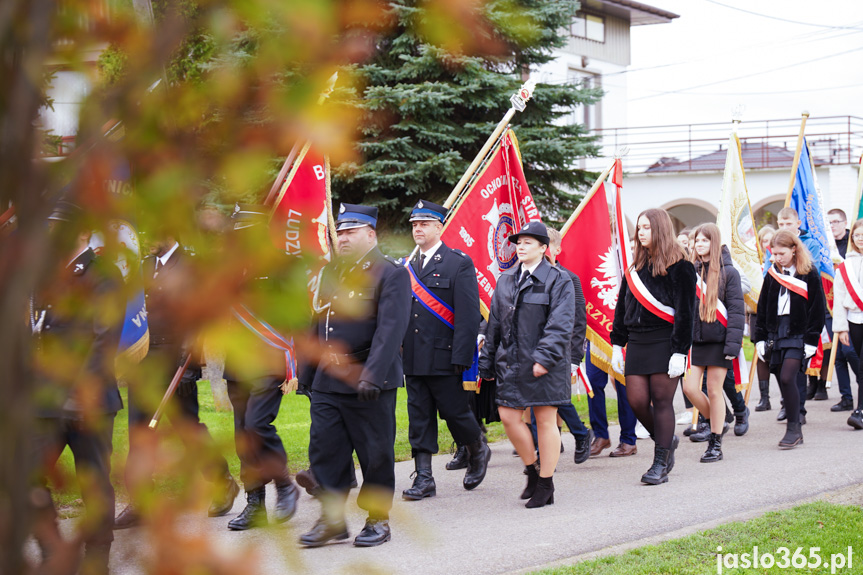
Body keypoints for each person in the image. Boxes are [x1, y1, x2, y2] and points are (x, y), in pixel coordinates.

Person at [300, 203, 410, 547]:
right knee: (325, 449)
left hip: (368, 380)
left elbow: (390, 331)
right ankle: (332, 519)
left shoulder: (390, 274)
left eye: (350, 232)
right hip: (329, 379)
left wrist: (373, 374)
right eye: (340, 233)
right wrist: (308, 373)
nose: (342, 238)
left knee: (375, 453)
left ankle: (378, 519)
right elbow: (317, 324)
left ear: (370, 234)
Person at [114, 232, 239, 529]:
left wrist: (191, 367)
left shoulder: (191, 266)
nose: (146, 239)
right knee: (138, 431)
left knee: (187, 430)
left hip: (177, 362)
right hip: (144, 360)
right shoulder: (144, 267)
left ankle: (222, 482)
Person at [29, 199, 126, 575]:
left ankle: (97, 561)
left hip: (90, 403)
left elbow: (103, 343)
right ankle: (52, 552)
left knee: (95, 486)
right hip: (46, 402)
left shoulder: (104, 277)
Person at [479, 221, 575, 508]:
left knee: (545, 420)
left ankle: (546, 483)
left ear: (544, 248)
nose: (520, 246)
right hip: (510, 363)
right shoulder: (506, 279)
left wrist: (543, 359)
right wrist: (487, 361)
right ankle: (533, 470)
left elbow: (561, 324)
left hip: (546, 363)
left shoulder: (559, 280)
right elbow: (494, 323)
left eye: (528, 242)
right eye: (518, 242)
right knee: (508, 417)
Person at [400, 199, 489, 501]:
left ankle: (478, 448)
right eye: (414, 224)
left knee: (455, 413)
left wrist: (462, 358)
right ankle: (424, 478)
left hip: (444, 355)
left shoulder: (457, 262)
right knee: (419, 418)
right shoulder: (408, 266)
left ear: (439, 227)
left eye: (424, 224)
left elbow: (467, 317)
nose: (418, 229)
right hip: (413, 356)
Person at [222, 204, 299, 531]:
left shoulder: (283, 265)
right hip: (238, 363)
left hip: (268, 360)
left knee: (257, 424)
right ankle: (255, 505)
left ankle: (284, 484)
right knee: (242, 435)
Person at [610, 208, 696, 485]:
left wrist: (680, 351)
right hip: (637, 342)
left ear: (659, 229)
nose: (641, 232)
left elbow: (686, 313)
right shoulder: (633, 269)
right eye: (639, 227)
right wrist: (616, 345)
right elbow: (621, 309)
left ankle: (660, 462)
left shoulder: (681, 267)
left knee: (661, 401)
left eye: (646, 227)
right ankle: (666, 439)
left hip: (665, 341)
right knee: (635, 401)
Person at [754, 230, 825, 449]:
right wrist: (759, 339)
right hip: (777, 334)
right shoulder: (772, 274)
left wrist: (812, 341)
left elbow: (817, 310)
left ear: (794, 249)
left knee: (788, 378)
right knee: (780, 377)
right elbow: (763, 309)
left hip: (798, 333)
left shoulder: (809, 273)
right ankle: (796, 427)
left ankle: (793, 428)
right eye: (774, 254)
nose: (776, 258)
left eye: (781, 253)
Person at [682, 224, 744, 463]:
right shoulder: (691, 271)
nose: (699, 244)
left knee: (714, 391)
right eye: (697, 240)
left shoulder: (730, 273)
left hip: (719, 341)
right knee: (689, 388)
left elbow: (737, 312)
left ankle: (715, 443)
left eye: (705, 240)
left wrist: (732, 346)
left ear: (714, 243)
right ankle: (717, 420)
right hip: (696, 341)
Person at [776, 206, 825, 417]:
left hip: (801, 313)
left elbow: (809, 270)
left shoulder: (811, 244)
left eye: (789, 224)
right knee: (780, 367)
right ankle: (787, 404)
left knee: (796, 368)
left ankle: (799, 410)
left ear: (798, 224)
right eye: (781, 224)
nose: (785, 228)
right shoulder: (776, 249)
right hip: (780, 319)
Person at [830, 219, 863, 429]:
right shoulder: (845, 266)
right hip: (854, 320)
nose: (861, 239)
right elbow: (840, 298)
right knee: (859, 364)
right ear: (853, 239)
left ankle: (859, 411)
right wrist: (841, 328)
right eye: (858, 235)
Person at [586, 342, 638, 457]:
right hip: (597, 332)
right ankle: (601, 435)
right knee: (592, 382)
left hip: (623, 335)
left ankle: (628, 439)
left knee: (623, 385)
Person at [754, 225, 776, 411]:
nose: (767, 244)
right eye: (764, 240)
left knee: (778, 354)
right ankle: (764, 397)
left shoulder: (778, 264)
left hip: (776, 314)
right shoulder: (754, 264)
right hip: (758, 312)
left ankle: (786, 399)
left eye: (771, 240)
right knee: (761, 355)